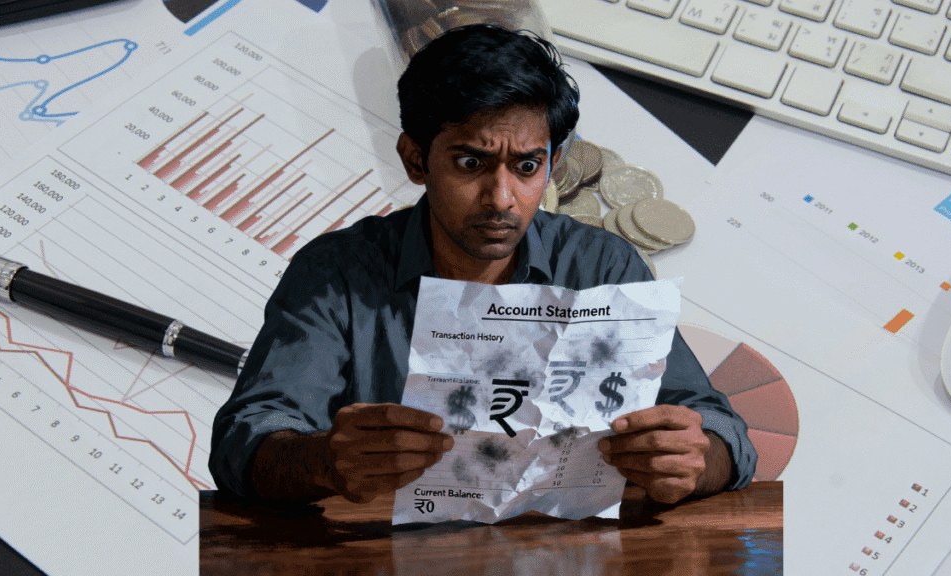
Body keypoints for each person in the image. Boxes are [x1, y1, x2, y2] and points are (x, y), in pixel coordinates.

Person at [209, 24, 756, 507]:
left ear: (554, 163)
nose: (502, 198)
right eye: (471, 162)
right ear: (415, 159)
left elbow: (726, 436)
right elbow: (243, 443)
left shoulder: (602, 265)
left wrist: (693, 460)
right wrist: (322, 461)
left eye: (526, 166)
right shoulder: (336, 272)